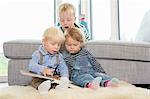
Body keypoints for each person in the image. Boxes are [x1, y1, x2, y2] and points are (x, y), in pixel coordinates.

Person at [28, 27, 69, 93]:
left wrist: (65, 77)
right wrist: (43, 69)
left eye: (58, 45)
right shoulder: (38, 54)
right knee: (35, 81)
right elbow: (31, 66)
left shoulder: (59, 56)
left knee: (57, 80)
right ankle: (41, 87)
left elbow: (63, 67)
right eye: (53, 44)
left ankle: (57, 86)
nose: (56, 47)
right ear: (44, 42)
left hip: (52, 77)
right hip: (40, 77)